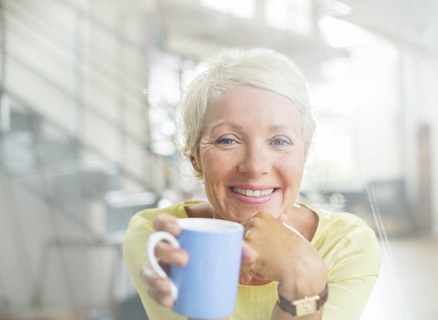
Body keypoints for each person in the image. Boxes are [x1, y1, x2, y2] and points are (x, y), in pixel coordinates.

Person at [123, 48, 381, 320]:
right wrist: (200, 291)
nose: (256, 167)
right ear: (195, 157)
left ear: (304, 155)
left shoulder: (347, 244)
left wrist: (303, 280)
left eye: (280, 141)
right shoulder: (157, 236)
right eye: (227, 140)